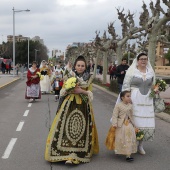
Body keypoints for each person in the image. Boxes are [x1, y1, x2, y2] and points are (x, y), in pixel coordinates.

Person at [45, 56, 99, 164]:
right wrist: (69, 90)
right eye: (78, 65)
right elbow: (63, 91)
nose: (80, 67)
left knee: (80, 130)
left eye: (82, 66)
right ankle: (66, 153)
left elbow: (90, 93)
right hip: (69, 104)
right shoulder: (69, 75)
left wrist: (81, 91)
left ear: (85, 67)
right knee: (66, 129)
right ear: (75, 66)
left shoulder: (89, 77)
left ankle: (75, 154)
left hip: (83, 106)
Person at [121, 52, 155, 155]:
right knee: (133, 121)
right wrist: (126, 98)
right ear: (138, 60)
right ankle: (132, 143)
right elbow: (126, 85)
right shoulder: (132, 72)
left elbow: (153, 86)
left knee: (144, 123)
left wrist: (156, 90)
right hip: (134, 99)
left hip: (147, 100)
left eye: (145, 59)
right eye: (142, 59)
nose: (144, 60)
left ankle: (141, 145)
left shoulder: (150, 72)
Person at [111, 90, 137, 162]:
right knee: (120, 138)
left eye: (130, 96)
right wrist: (114, 123)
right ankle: (119, 150)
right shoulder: (118, 105)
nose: (129, 98)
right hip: (120, 125)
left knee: (129, 138)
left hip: (129, 125)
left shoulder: (130, 105)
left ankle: (128, 155)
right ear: (122, 98)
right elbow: (115, 115)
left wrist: (133, 124)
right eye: (127, 96)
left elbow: (131, 115)